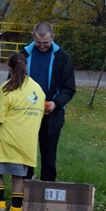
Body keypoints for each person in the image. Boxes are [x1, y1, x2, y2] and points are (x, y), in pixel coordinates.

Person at [0, 53, 45, 211]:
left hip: (6, 140)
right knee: (18, 178)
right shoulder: (38, 90)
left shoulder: (6, 88)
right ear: (26, 66)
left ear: (9, 67)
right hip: (26, 142)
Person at [22, 22, 75, 181]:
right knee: (25, 155)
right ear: (33, 37)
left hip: (52, 114)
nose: (42, 46)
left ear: (53, 37)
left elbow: (69, 88)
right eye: (38, 42)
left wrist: (56, 103)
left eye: (46, 43)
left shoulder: (63, 58)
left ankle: (47, 190)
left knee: (49, 156)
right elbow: (13, 81)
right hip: (26, 112)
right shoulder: (24, 55)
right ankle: (24, 191)